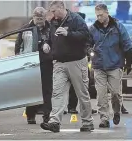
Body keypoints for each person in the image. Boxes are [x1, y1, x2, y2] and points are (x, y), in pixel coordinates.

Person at [40, 1, 94, 132]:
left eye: (54, 11)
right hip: (59, 62)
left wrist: (68, 34)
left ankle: (87, 122)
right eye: (51, 12)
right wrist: (46, 44)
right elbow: (49, 36)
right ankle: (54, 122)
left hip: (76, 61)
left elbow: (86, 36)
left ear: (61, 8)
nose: (52, 14)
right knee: (57, 92)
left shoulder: (76, 19)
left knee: (82, 93)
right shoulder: (53, 22)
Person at [88, 3, 132, 128]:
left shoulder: (118, 27)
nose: (99, 18)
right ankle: (104, 119)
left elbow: (127, 44)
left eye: (101, 15)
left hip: (115, 65)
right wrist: (88, 51)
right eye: (97, 16)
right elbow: (87, 43)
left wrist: (128, 62)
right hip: (99, 65)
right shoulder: (93, 29)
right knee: (101, 94)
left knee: (115, 93)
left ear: (107, 12)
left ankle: (116, 111)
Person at [15, 7, 53, 124]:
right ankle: (30, 115)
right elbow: (18, 45)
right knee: (31, 90)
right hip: (30, 63)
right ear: (33, 17)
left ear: (45, 17)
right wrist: (18, 59)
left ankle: (47, 116)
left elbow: (56, 43)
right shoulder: (25, 29)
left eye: (41, 18)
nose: (39, 21)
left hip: (46, 63)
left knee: (47, 90)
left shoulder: (50, 29)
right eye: (37, 18)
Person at [65, 11, 97, 115]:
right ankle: (72, 107)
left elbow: (88, 42)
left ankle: (82, 108)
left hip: (83, 60)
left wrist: (89, 49)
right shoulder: (74, 32)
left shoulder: (83, 31)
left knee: (84, 86)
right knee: (77, 86)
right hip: (77, 61)